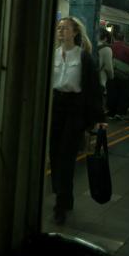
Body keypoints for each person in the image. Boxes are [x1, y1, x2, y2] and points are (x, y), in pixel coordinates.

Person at [50, 16, 104, 225]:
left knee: (66, 157)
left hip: (74, 110)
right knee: (54, 154)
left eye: (65, 28)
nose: (61, 31)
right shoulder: (53, 54)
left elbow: (93, 89)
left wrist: (99, 118)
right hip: (57, 107)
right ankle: (65, 195)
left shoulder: (84, 57)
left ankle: (61, 205)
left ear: (75, 33)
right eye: (59, 28)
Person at [107, 29, 129, 119]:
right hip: (124, 76)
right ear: (124, 39)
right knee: (123, 94)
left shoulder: (110, 47)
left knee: (112, 93)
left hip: (112, 74)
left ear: (114, 38)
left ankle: (111, 112)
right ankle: (120, 113)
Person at [97, 27, 114, 99]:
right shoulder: (106, 49)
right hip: (99, 81)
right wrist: (111, 77)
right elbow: (108, 68)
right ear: (105, 38)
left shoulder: (88, 44)